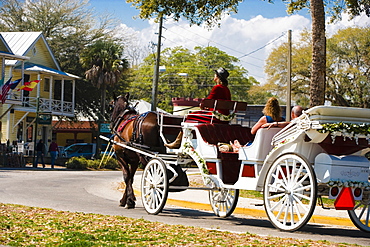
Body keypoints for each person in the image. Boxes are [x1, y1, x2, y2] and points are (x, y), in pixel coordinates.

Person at [165, 67, 231, 149]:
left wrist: (202, 105)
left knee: (189, 116)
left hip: (215, 117)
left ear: (218, 77)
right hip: (223, 118)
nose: (214, 76)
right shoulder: (226, 89)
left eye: (215, 74)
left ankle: (178, 142)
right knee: (194, 115)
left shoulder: (217, 88)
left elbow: (208, 101)